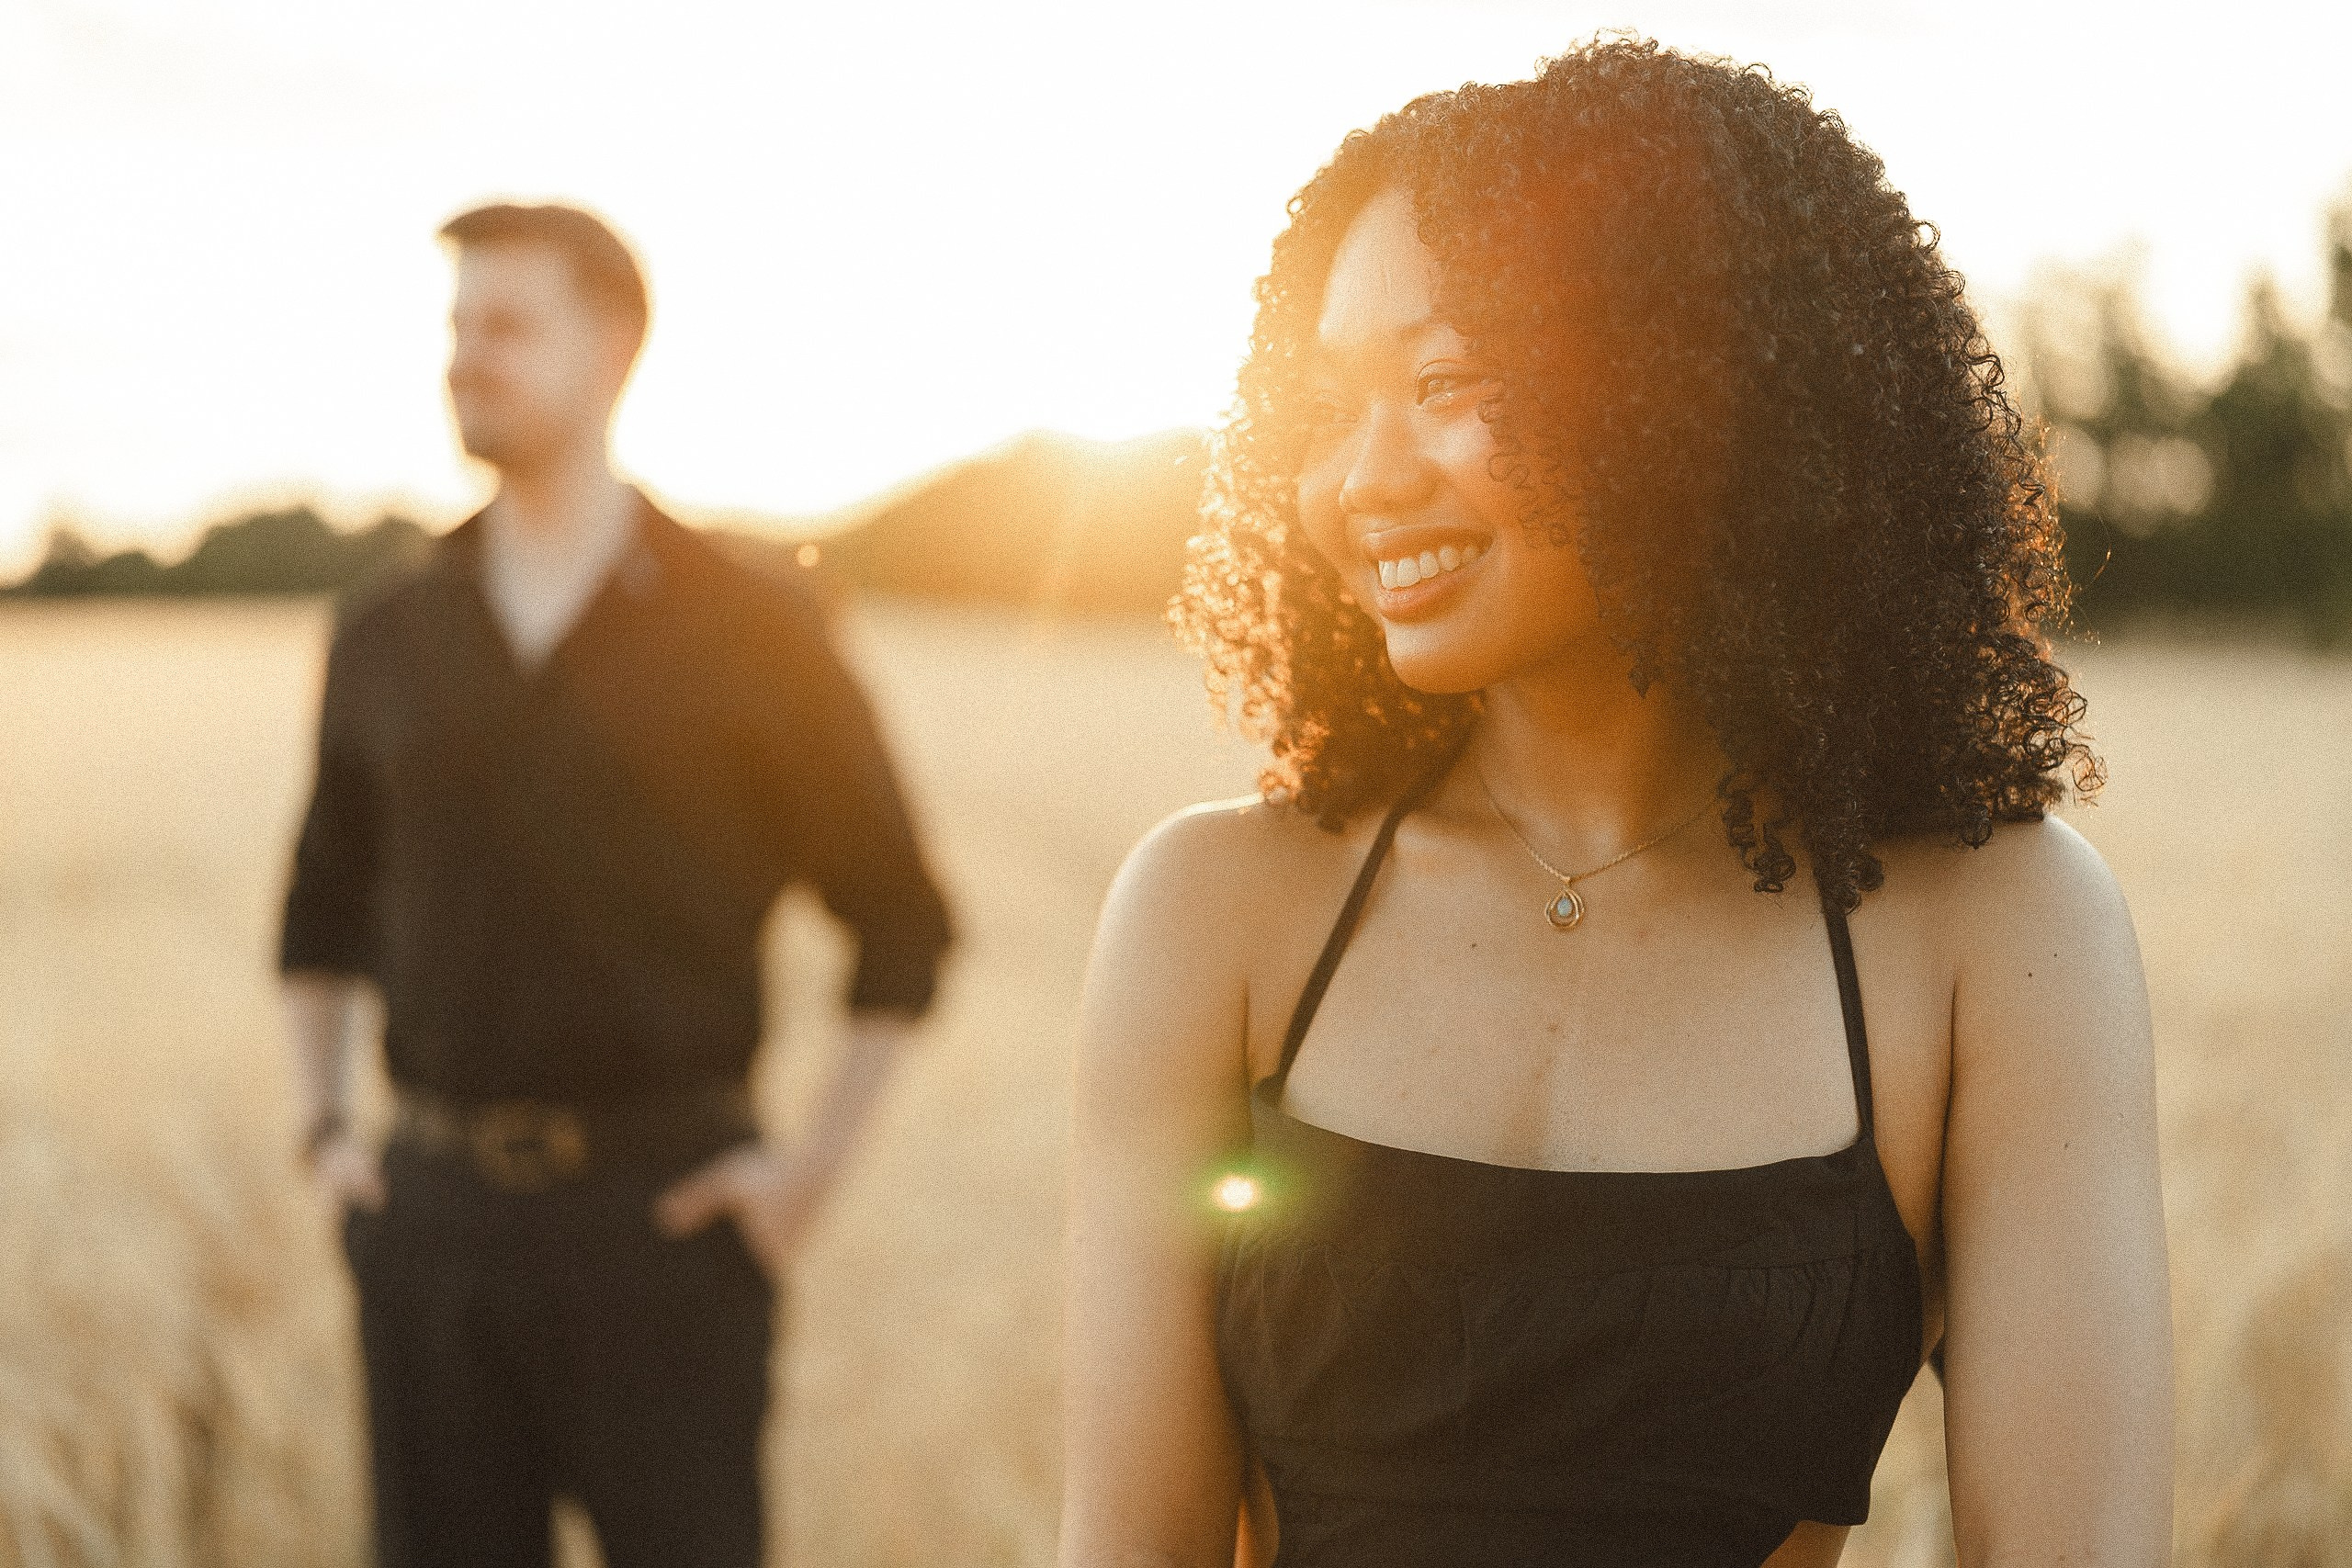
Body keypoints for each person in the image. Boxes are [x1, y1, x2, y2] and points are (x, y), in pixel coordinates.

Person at [1062, 39, 2172, 1568]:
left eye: (1448, 382)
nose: (1360, 479)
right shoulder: (1221, 910)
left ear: (1689, 392)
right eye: (1329, 404)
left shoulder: (1995, 931)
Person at [280, 201, 953, 1568]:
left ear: (617, 349)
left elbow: (902, 921)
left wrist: (804, 1178)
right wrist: (324, 1137)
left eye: (508, 325)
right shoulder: (387, 629)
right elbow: (320, 913)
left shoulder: (757, 624)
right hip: (431, 1230)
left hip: (665, 1225)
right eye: (457, 327)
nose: (468, 357)